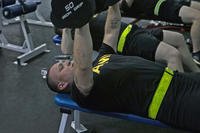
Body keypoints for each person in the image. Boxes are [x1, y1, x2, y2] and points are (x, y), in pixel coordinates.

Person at [47, 2, 200, 132]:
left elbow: (111, 31)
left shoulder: (101, 59)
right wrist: (80, 23)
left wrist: (113, 4)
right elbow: (83, 66)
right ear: (62, 84)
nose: (66, 62)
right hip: (173, 101)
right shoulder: (81, 92)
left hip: (180, 80)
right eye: (61, 67)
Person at [58, 12, 200, 72]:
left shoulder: (88, 14)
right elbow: (66, 50)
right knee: (172, 55)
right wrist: (66, 26)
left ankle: (196, 74)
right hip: (129, 42)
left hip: (137, 31)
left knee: (178, 39)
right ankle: (179, 91)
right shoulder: (75, 30)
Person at [120, 0, 200, 65]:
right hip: (157, 5)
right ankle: (196, 53)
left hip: (170, 2)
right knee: (197, 17)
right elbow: (125, 5)